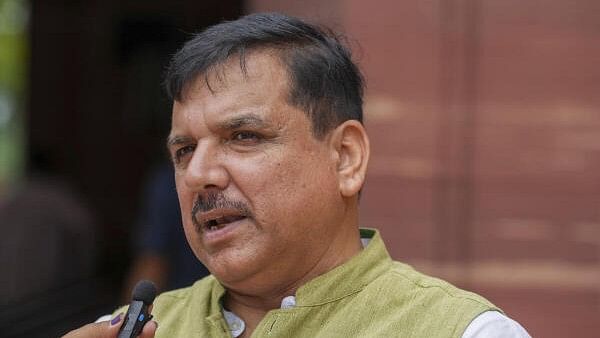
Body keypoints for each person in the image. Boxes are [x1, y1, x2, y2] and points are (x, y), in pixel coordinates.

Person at [64, 13, 530, 338]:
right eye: (184, 150)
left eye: (243, 136)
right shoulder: (137, 329)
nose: (199, 174)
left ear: (346, 158)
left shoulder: (463, 332)